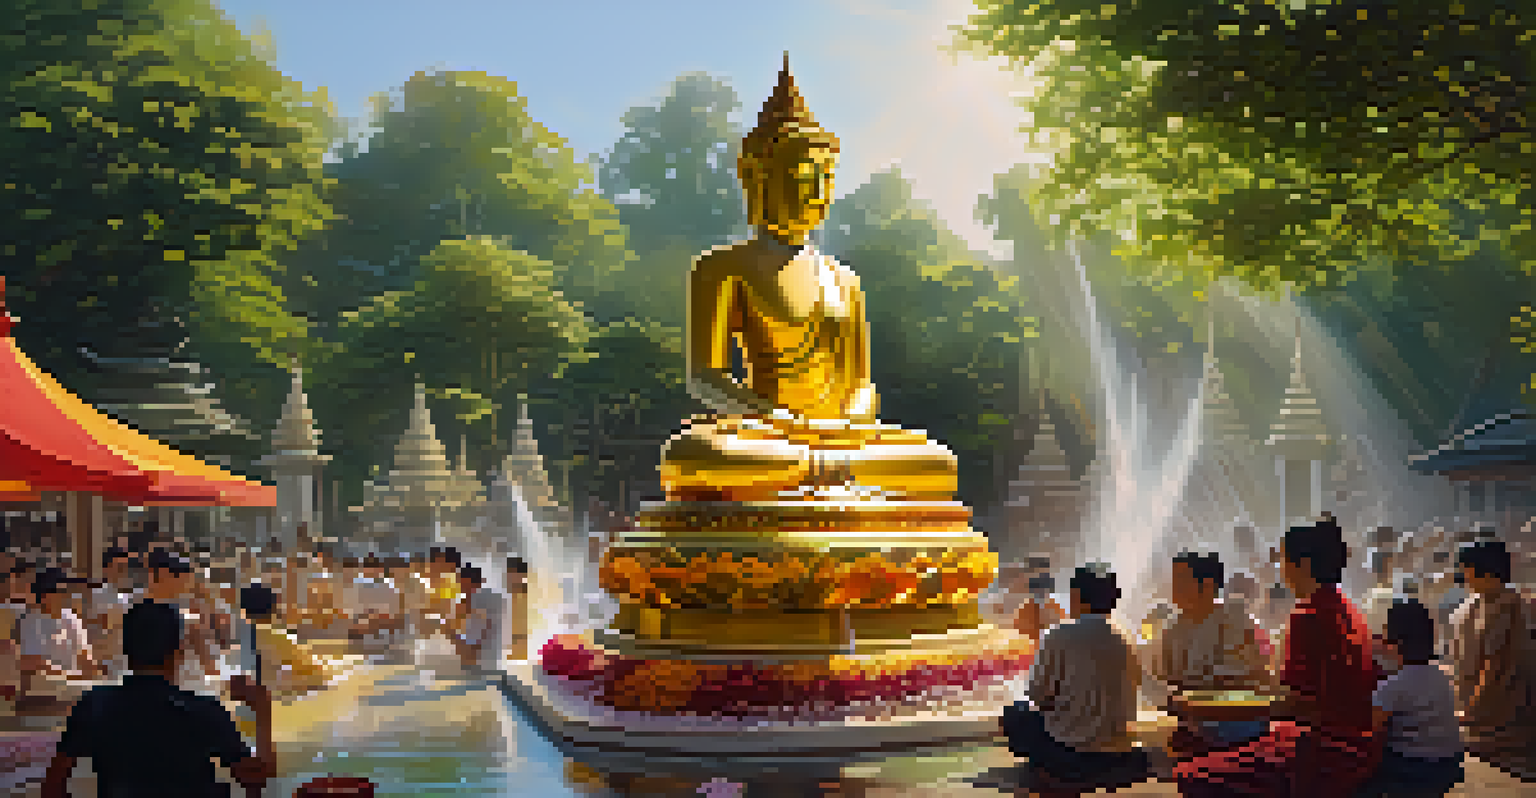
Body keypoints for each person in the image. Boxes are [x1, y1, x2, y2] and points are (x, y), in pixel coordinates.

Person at [1174, 518, 1383, 798]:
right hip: (1352, 746)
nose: (1281, 571)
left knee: (1191, 775)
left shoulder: (1307, 617)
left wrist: (1211, 709)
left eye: (1284, 561)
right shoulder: (1350, 610)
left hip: (1322, 753)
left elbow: (1294, 704)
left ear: (1304, 565)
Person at [40, 600, 276, 798]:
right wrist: (262, 711)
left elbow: (52, 787)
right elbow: (256, 780)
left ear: (126, 651)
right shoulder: (203, 711)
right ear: (178, 653)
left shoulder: (94, 706)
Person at [1001, 563, 1150, 787]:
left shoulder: (1058, 635)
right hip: (1120, 751)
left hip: (1070, 753)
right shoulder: (1127, 636)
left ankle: (1044, 773)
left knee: (1016, 712)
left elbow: (1036, 695)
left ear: (1076, 596)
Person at [1148, 552, 1274, 757]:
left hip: (1238, 726)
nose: (1173, 590)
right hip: (1196, 726)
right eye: (1173, 582)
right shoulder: (1173, 628)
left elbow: (1245, 676)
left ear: (1207, 586)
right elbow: (1168, 681)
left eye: (1181, 582)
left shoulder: (1236, 618)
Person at [1354, 599, 1464, 798]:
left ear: (1395, 642)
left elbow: (1371, 731)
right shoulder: (1441, 675)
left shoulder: (1393, 685)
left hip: (1415, 767)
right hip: (1450, 765)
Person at [1445, 539, 1536, 777]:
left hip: (1498, 718)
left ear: (1480, 570)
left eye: (1465, 569)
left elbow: (1495, 667)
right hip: (1470, 708)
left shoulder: (1511, 607)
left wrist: (1467, 713)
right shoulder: (1470, 606)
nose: (1462, 575)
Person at [18, 568, 100, 695]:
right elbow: (35, 664)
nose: (68, 594)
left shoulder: (71, 618)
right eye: (62, 590)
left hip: (76, 688)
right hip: (45, 692)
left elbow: (85, 655)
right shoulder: (31, 622)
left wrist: (93, 674)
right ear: (45, 595)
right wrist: (74, 678)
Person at [453, 564, 507, 673]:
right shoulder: (493, 598)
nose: (459, 586)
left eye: (460, 582)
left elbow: (472, 640)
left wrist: (451, 634)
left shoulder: (476, 602)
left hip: (477, 665)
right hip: (493, 661)